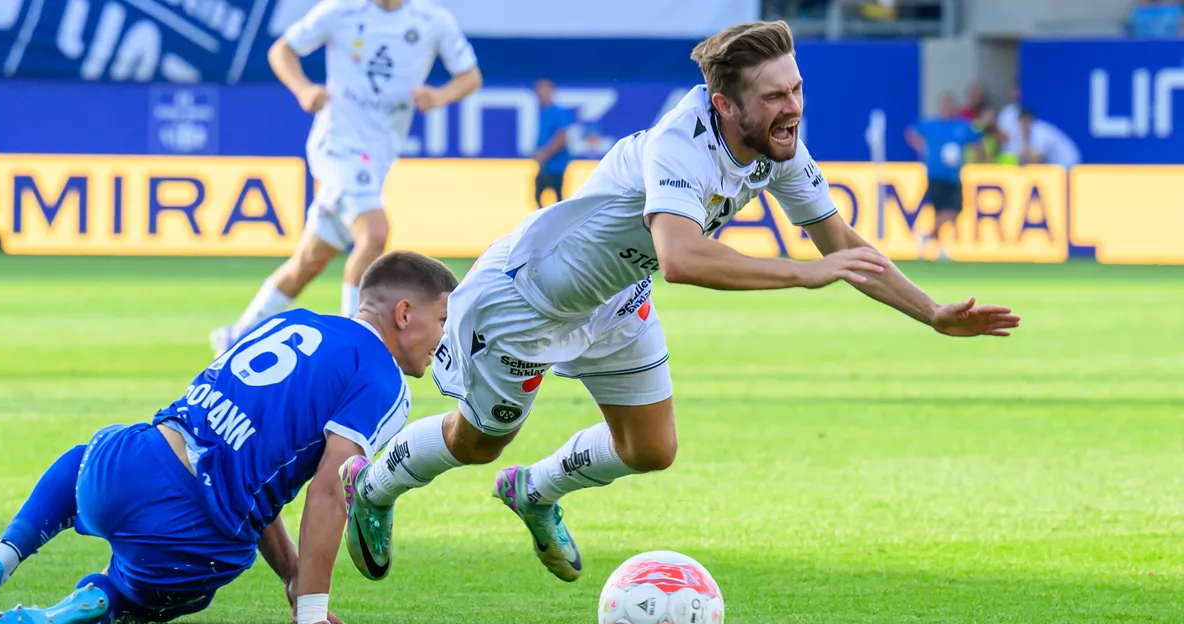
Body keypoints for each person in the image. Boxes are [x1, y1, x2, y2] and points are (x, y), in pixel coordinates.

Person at [337, 21, 1020, 585]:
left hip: (614, 301)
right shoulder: (678, 143)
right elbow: (681, 257)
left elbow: (839, 240)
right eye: (775, 95)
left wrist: (930, 311)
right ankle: (372, 487)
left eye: (796, 88)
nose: (792, 107)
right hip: (526, 303)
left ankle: (536, 490)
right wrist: (804, 275)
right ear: (725, 104)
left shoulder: (778, 148)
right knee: (476, 441)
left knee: (652, 449)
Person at [0, 252, 458, 624]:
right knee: (178, 582)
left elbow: (243, 454)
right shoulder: (383, 381)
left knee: (90, 453)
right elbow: (329, 491)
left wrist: (293, 573)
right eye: (442, 320)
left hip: (124, 466)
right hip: (185, 539)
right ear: (404, 314)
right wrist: (313, 607)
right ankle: (98, 600)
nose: (444, 339)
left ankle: (1, 556)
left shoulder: (291, 320)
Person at [211, 0, 482, 355]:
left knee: (309, 261)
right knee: (375, 232)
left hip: (378, 154)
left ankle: (237, 335)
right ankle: (352, 344)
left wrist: (439, 95)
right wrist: (304, 90)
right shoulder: (340, 10)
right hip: (336, 145)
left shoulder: (432, 20)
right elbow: (282, 51)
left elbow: (470, 77)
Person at [905, 93, 983, 260]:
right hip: (935, 175)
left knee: (954, 211)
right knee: (939, 212)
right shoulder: (931, 125)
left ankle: (927, 237)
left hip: (953, 177)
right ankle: (940, 249)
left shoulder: (962, 126)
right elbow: (911, 132)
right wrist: (921, 147)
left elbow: (977, 141)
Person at [533, 79, 574, 208]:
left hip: (556, 165)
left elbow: (562, 137)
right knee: (539, 195)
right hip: (546, 165)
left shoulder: (558, 112)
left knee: (556, 198)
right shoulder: (544, 112)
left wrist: (545, 153)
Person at [1016, 108, 1081, 168]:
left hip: (1068, 163)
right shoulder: (1026, 133)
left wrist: (1020, 156)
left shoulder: (1040, 131)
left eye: (1024, 122)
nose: (1022, 126)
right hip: (1056, 166)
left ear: (1029, 119)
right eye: (1021, 123)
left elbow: (1037, 158)